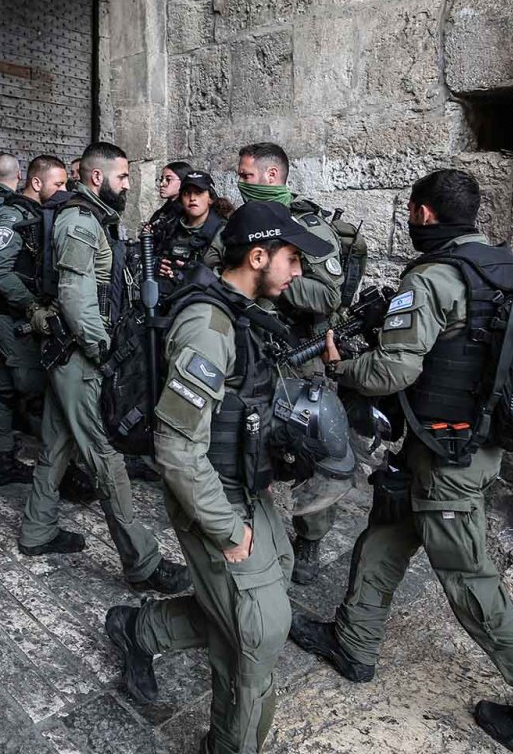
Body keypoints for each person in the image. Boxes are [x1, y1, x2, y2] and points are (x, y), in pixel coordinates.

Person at [291, 169, 513, 754]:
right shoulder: (502, 265)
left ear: (423, 214)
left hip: (447, 458)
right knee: (386, 534)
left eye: (412, 212)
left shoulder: (435, 277)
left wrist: (341, 367)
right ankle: (354, 642)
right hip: (463, 440)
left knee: (472, 588)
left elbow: (395, 371)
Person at [105, 201, 330, 754]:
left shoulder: (243, 311)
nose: (299, 272)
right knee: (258, 630)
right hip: (215, 497)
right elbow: (177, 449)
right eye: (294, 258)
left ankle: (140, 631)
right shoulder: (208, 327)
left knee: (270, 582)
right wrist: (226, 529)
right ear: (258, 255)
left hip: (244, 486)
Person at [17, 142, 189, 594]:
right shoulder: (79, 221)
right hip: (79, 356)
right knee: (106, 457)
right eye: (124, 177)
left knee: (56, 444)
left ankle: (36, 530)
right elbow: (75, 299)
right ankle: (143, 563)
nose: (129, 185)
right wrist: (104, 352)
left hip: (72, 356)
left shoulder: (96, 219)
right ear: (98, 178)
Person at [207, 142, 348, 584]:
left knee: (315, 447)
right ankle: (254, 522)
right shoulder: (238, 225)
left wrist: (275, 280)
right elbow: (214, 269)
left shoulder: (311, 227)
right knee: (253, 438)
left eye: (246, 176)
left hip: (301, 357)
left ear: (271, 177)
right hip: (252, 350)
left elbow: (329, 295)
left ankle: (311, 535)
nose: (240, 183)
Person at [0, 154, 67, 486]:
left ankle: (2, 459)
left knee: (3, 389)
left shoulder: (36, 214)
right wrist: (33, 306)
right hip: (14, 320)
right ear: (35, 182)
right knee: (36, 390)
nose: (62, 190)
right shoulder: (12, 215)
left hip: (17, 319)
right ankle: (55, 469)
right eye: (57, 184)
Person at [153, 171, 231, 293]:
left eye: (199, 193)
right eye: (186, 193)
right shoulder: (170, 227)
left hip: (208, 300)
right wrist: (158, 266)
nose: (192, 198)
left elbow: (236, 276)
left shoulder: (224, 232)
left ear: (210, 198)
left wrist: (198, 274)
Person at [144, 160, 193, 239]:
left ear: (183, 181)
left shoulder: (189, 212)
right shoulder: (162, 212)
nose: (161, 184)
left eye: (168, 179)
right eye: (161, 179)